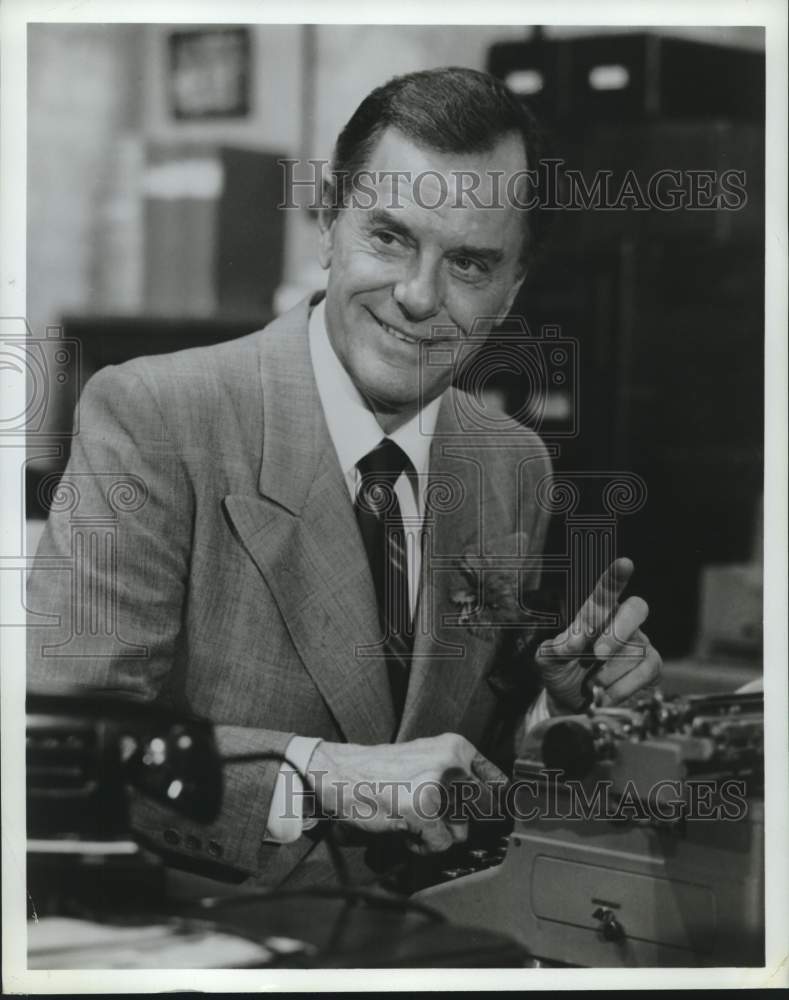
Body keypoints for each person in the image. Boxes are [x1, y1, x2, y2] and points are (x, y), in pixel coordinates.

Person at [26, 67, 661, 888]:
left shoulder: (512, 463)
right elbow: (59, 749)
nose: (416, 295)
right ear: (326, 223)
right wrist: (321, 774)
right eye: (389, 237)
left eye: (468, 264)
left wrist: (559, 714)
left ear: (511, 292)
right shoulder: (156, 416)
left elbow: (464, 769)